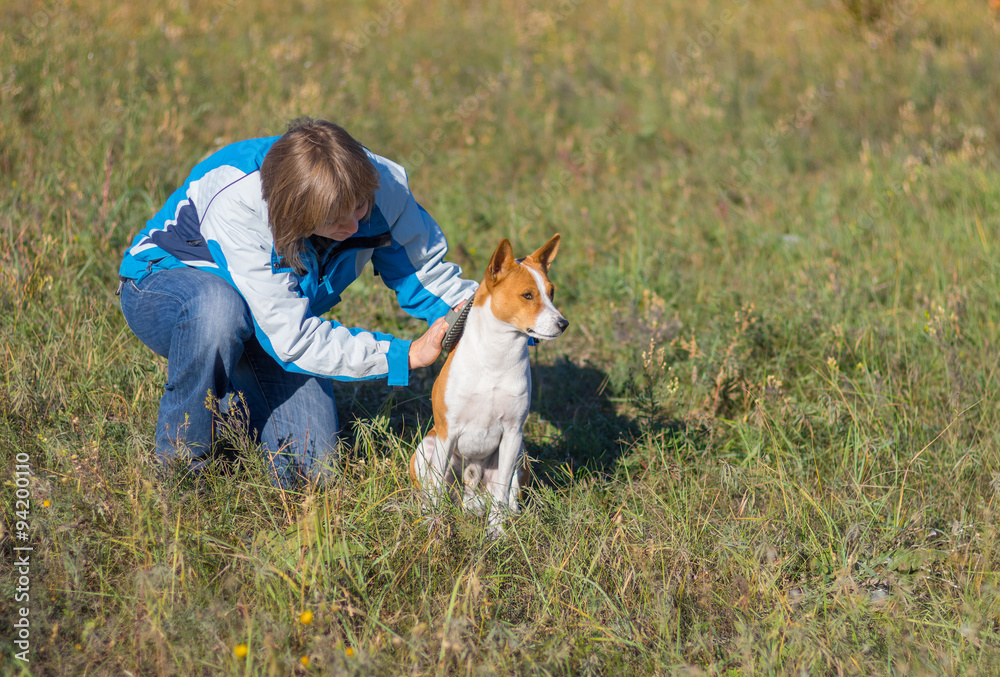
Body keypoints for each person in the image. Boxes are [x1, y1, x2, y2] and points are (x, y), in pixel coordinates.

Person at [118, 117, 476, 487]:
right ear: (293, 215)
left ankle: (232, 403)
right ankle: (180, 467)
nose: (353, 227)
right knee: (218, 311)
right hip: (166, 290)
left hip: (273, 319)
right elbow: (295, 339)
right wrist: (403, 355)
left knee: (310, 471)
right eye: (334, 221)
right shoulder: (240, 202)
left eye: (359, 208)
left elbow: (426, 275)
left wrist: (494, 316)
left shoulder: (383, 186)